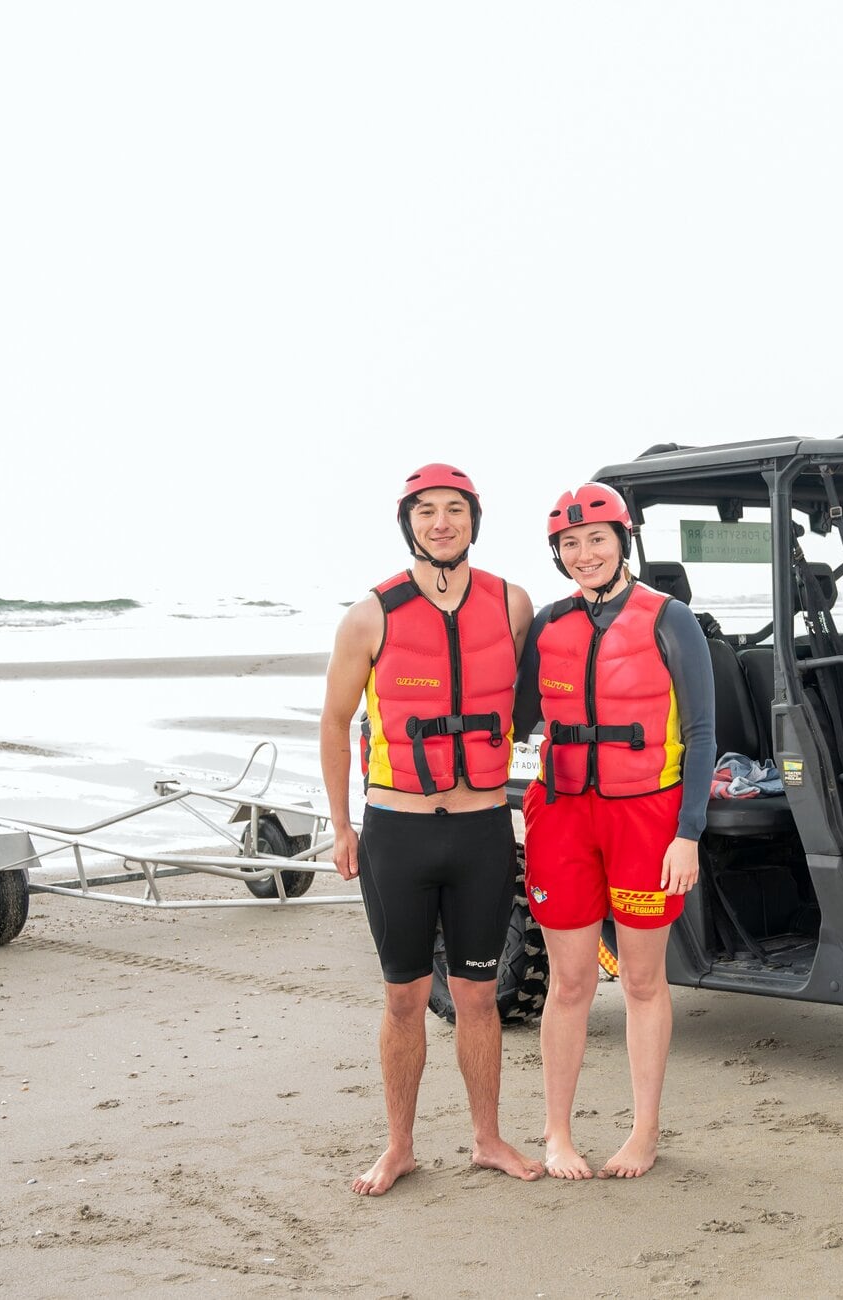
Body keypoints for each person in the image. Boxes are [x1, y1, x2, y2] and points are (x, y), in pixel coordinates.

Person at [319, 463, 544, 1195]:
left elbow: (542, 699)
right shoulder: (369, 616)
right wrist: (342, 825)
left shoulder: (512, 604)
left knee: (478, 997)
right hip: (399, 832)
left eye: (455, 509)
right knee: (404, 997)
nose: (441, 523)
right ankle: (399, 1147)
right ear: (407, 522)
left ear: (474, 519)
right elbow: (334, 723)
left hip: (481, 830)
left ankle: (488, 1139)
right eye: (426, 511)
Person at [514, 482, 714, 1179]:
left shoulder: (671, 619)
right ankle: (557, 1135)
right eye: (570, 544)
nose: (584, 554)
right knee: (568, 984)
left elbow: (702, 734)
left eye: (596, 539)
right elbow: (511, 721)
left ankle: (645, 1131)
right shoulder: (547, 625)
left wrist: (689, 833)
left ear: (622, 542)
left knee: (641, 981)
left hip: (647, 818)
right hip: (562, 815)